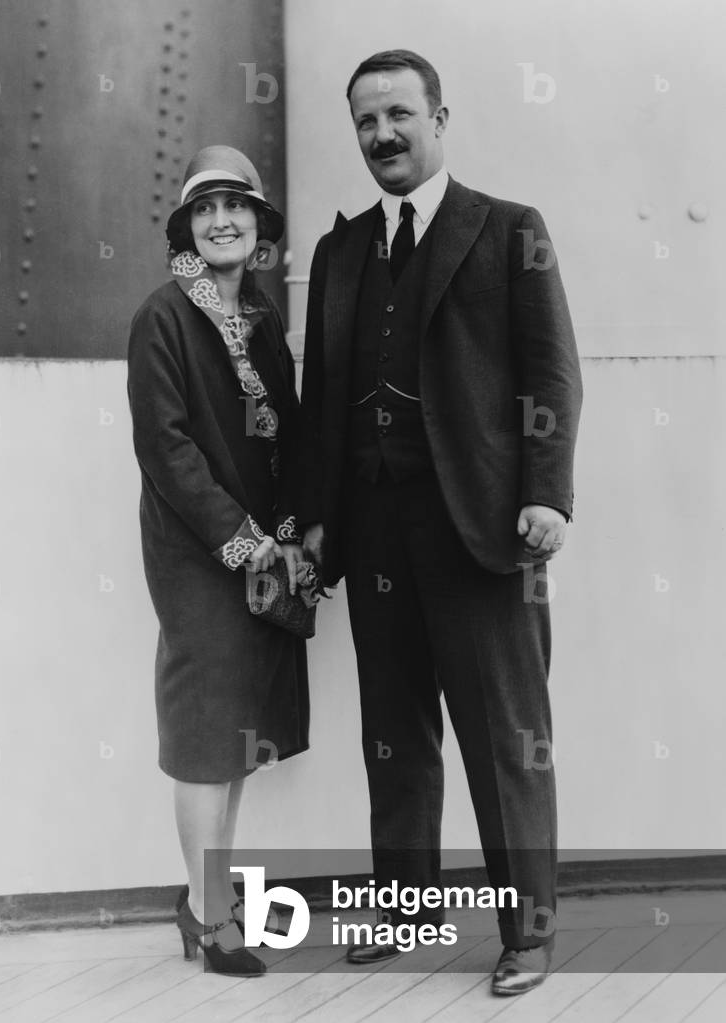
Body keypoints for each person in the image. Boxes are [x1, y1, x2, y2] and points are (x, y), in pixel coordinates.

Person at [297, 51, 582, 996]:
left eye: (399, 115)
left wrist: (546, 491)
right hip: (373, 534)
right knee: (396, 733)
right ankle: (406, 912)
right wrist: (315, 525)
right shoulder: (340, 254)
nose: (382, 135)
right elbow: (320, 402)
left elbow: (551, 374)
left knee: (503, 740)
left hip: (483, 531)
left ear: (440, 117)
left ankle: (527, 934)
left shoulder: (507, 231)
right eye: (366, 122)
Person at [127, 145, 309, 977]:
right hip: (199, 553)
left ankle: (214, 897)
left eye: (237, 205)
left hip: (261, 551)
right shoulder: (163, 316)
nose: (222, 219)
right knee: (207, 734)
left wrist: (295, 530)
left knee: (238, 733)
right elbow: (166, 450)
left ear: (259, 225)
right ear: (188, 229)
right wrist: (241, 541)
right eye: (205, 209)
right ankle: (209, 912)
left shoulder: (264, 319)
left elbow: (289, 437)